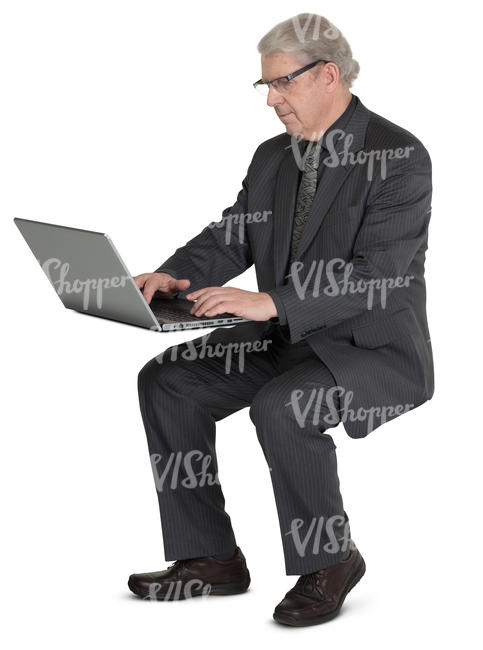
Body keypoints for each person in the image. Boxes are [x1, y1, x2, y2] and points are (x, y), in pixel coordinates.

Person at [128, 13, 433, 626]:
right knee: (167, 381)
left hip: (368, 348)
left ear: (327, 75)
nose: (271, 100)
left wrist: (273, 302)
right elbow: (233, 236)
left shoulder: (398, 156)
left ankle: (332, 561)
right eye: (264, 86)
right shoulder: (274, 157)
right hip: (285, 336)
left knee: (284, 406)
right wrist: (172, 275)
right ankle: (210, 557)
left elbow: (380, 275)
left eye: (282, 84)